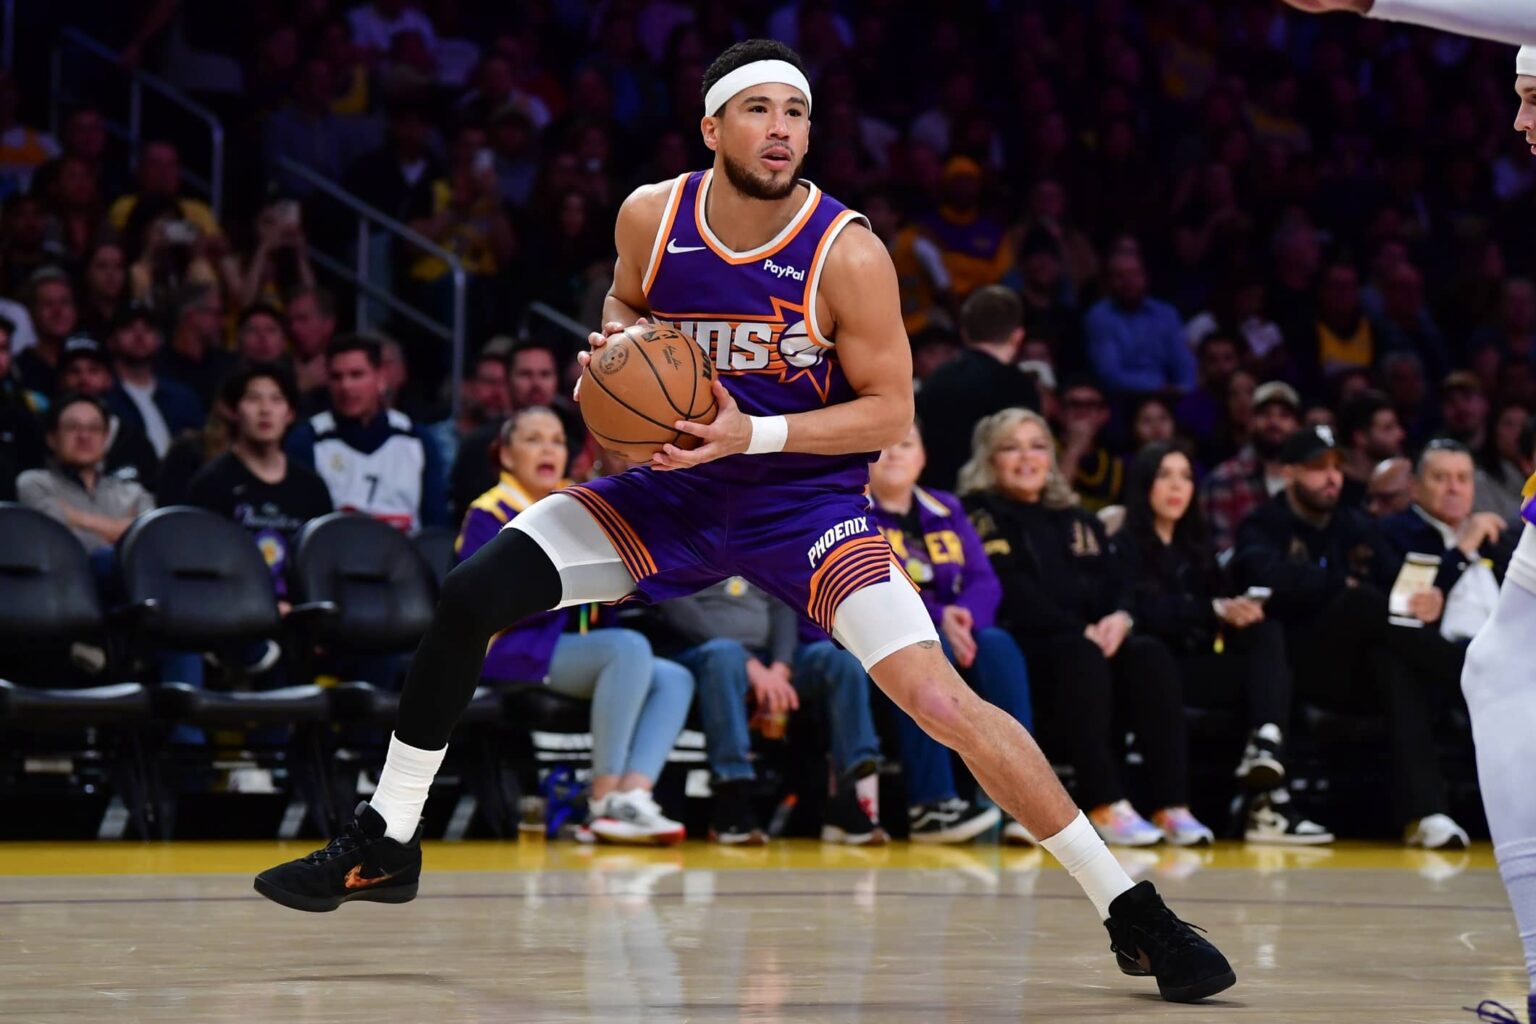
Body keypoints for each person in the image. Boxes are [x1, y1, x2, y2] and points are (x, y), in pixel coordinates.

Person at [254, 40, 1234, 1003]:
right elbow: (622, 305)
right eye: (759, 109)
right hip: (670, 494)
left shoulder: (848, 252)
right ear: (712, 127)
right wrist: (615, 364)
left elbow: (891, 412)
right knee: (471, 594)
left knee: (943, 701)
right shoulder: (651, 216)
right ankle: (389, 836)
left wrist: (751, 433)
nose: (781, 129)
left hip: (800, 505)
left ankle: (1130, 907)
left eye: (797, 113)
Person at [961, 408, 1212, 849]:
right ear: (989, 458)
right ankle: (1104, 802)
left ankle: (1172, 805)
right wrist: (1085, 631)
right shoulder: (977, 514)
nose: (1027, 458)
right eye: (1011, 448)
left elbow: (1117, 583)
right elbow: (1012, 592)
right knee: (1081, 655)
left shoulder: (1077, 517)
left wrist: (1120, 617)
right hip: (1022, 645)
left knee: (1148, 653)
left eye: (1038, 446)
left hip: (1086, 640)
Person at [457, 408, 693, 844]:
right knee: (627, 648)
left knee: (674, 678)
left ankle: (632, 795)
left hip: (571, 645)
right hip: (512, 646)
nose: (548, 449)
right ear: (506, 455)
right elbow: (481, 600)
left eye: (556, 440)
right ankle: (602, 801)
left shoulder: (577, 504)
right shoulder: (488, 512)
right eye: (533, 440)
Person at [1118, 442, 1332, 845]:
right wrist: (1213, 610)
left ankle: (1266, 748)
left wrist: (1240, 609)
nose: (1176, 487)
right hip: (1152, 669)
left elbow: (1217, 605)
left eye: (1185, 477)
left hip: (1200, 663)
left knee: (1268, 636)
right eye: (1165, 476)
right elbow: (1140, 611)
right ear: (1144, 484)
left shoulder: (1197, 548)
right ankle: (1245, 800)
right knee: (1165, 659)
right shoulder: (1125, 543)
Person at [869, 422, 1031, 845]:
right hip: (884, 633)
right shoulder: (851, 511)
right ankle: (932, 805)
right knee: (914, 653)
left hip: (955, 633)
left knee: (997, 645)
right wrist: (940, 618)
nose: (895, 453)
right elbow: (876, 584)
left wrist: (963, 620)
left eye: (906, 444)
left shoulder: (947, 508)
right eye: (883, 445)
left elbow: (983, 579)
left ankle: (1023, 796)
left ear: (923, 456)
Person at [186, 363, 333, 597]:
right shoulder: (211, 483)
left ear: (290, 414)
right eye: (253, 399)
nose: (265, 410)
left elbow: (322, 566)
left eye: (276, 399)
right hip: (230, 608)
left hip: (300, 612)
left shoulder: (312, 487)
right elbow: (201, 567)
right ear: (234, 411)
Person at [285, 334, 447, 531]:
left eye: (357, 375)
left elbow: (435, 526)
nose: (346, 386)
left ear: (380, 378)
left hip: (406, 549)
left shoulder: (417, 440)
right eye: (336, 377)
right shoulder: (307, 440)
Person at [915, 284, 1039, 492]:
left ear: (965, 333)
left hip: (938, 501)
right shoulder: (1020, 386)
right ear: (1017, 336)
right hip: (996, 501)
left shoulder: (935, 380)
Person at [17, 393, 153, 555]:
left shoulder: (133, 492)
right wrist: (121, 529)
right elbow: (60, 540)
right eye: (72, 427)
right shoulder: (34, 483)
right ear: (52, 438)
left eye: (94, 428)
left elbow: (149, 539)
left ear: (105, 439)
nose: (84, 436)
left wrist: (75, 518)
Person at [1199, 380, 1301, 554]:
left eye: (1284, 415)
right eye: (1265, 414)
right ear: (1250, 421)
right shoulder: (1224, 479)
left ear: (1297, 426)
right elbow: (1220, 551)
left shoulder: (1308, 480)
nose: (1274, 422)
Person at [1083, 249, 1196, 398]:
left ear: (1145, 277)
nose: (1129, 281)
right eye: (1120, 276)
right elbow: (1109, 374)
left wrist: (1184, 388)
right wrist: (1157, 387)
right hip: (1121, 398)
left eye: (1134, 274)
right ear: (1109, 281)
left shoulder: (1166, 313)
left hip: (1170, 395)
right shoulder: (1099, 316)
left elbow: (1184, 363)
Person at [104, 305, 205, 460]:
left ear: (159, 340)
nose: (139, 335)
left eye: (148, 329)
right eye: (128, 328)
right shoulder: (104, 398)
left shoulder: (183, 397)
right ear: (111, 340)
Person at [1337, 390, 1405, 510]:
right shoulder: (1338, 490)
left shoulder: (1402, 482)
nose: (1400, 434)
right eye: (1388, 428)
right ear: (1361, 437)